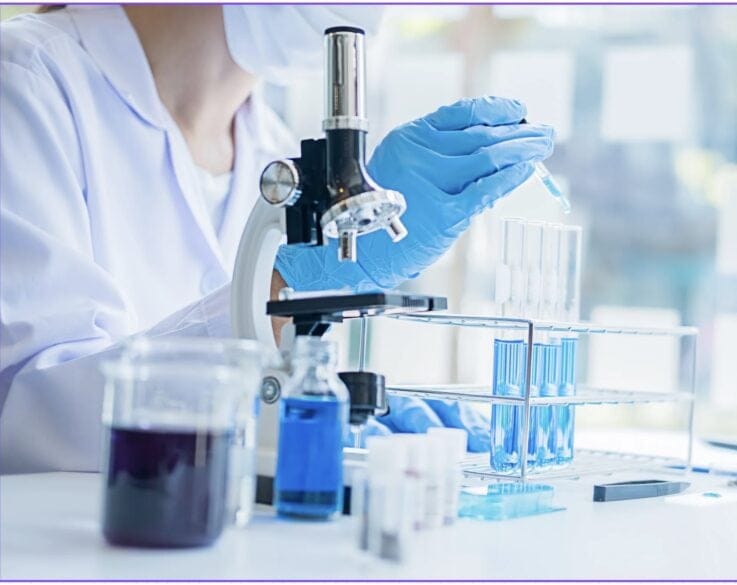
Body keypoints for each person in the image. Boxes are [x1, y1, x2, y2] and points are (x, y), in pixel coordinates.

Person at [0, 5, 554, 473]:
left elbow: (261, 404)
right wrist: (287, 282)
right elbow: (32, 419)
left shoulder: (274, 148)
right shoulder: (23, 83)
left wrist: (337, 410)